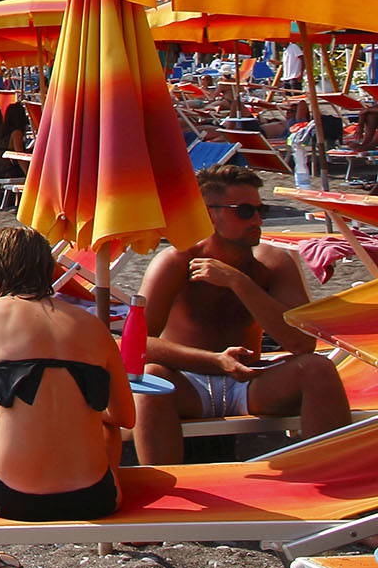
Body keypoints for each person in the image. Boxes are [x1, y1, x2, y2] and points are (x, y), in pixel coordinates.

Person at [130, 164, 351, 464]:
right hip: (188, 382)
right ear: (210, 214)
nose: (258, 220)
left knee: (317, 369)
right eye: (245, 211)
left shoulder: (273, 263)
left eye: (263, 210)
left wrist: (238, 282)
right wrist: (215, 360)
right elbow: (134, 346)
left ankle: (333, 476)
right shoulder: (175, 262)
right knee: (151, 379)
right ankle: (165, 495)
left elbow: (302, 344)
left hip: (251, 382)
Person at [0, 227, 135, 522]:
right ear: (48, 269)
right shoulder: (93, 326)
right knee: (106, 426)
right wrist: (79, 407)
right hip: (99, 498)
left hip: (11, 498)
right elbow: (124, 418)